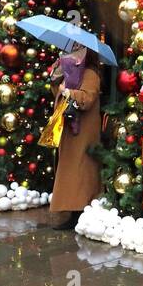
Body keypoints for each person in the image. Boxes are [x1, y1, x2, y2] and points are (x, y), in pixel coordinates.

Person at [49, 44, 102, 231]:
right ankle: (73, 210)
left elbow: (88, 98)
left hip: (84, 130)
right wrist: (56, 79)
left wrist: (68, 92)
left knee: (80, 169)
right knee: (71, 168)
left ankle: (79, 211)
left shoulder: (90, 73)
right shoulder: (72, 72)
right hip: (70, 129)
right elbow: (58, 95)